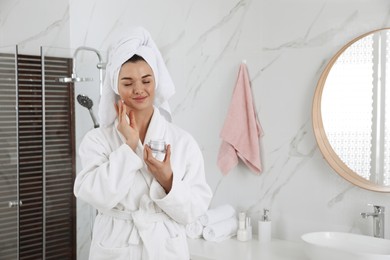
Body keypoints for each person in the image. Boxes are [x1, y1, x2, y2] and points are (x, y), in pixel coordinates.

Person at [74, 27, 213, 260]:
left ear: (155, 82)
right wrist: (128, 148)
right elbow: (97, 196)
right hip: (115, 246)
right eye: (127, 83)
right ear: (115, 87)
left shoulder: (182, 142)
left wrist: (168, 179)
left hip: (165, 248)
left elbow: (195, 210)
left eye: (146, 80)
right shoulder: (97, 140)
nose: (138, 89)